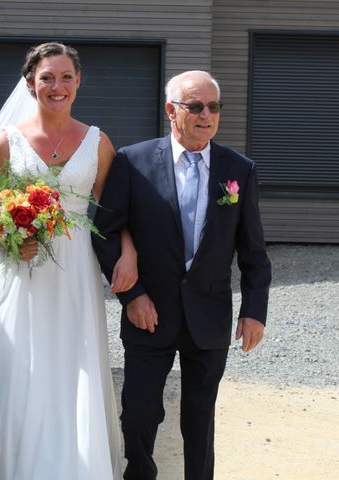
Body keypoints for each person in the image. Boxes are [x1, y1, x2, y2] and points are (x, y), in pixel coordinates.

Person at [0, 42, 136, 479]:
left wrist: (128, 252)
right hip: (18, 266)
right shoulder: (6, 142)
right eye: (47, 78)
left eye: (66, 77)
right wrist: (6, 234)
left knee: (71, 359)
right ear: (31, 83)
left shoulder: (98, 141)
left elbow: (117, 209)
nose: (57, 86)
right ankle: (7, 461)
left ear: (78, 82)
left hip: (73, 269)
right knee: (16, 363)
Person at [92, 70, 272, 480]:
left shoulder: (238, 170)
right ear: (171, 111)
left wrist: (254, 310)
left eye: (213, 107)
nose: (206, 115)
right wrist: (132, 295)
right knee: (138, 415)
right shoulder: (132, 162)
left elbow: (254, 250)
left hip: (209, 316)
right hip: (148, 313)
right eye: (195, 106)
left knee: (199, 420)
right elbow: (104, 231)